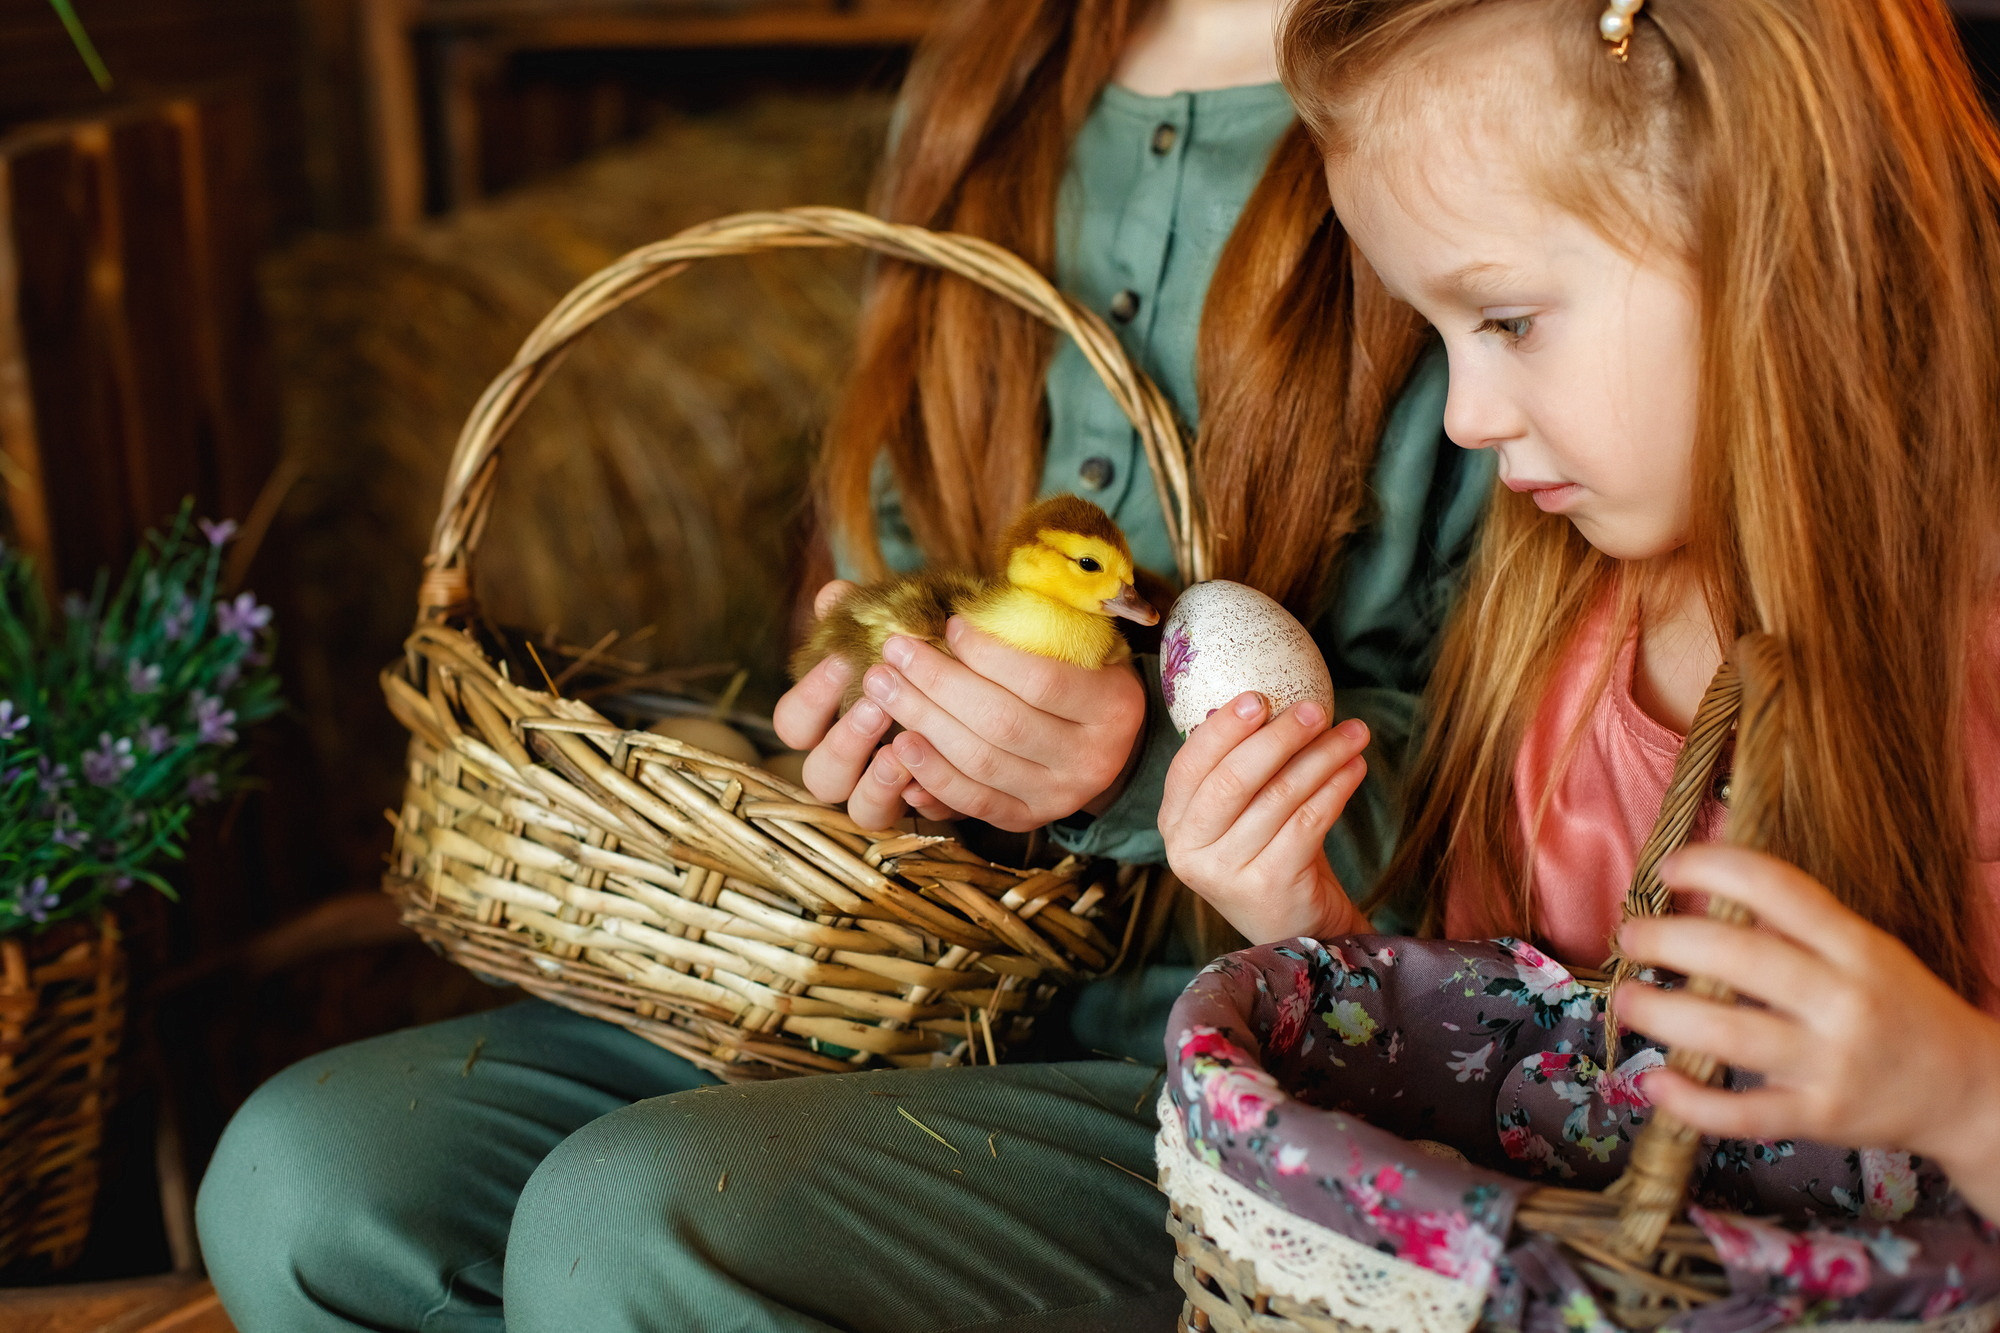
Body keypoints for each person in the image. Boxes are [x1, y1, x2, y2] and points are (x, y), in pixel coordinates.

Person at [195, 0, 1490, 1329]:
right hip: (900, 990)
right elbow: (886, 569)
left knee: (627, 1224)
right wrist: (881, 745)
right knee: (303, 1179)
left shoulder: (1471, 102)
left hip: (1217, 1062)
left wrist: (1137, 766)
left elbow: (1521, 793)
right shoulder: (991, 82)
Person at [1165, 0, 2000, 1237]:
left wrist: (1965, 1098)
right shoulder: (1554, 634)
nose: (1464, 416)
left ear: (1776, 243)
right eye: (1438, 336)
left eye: (1506, 319)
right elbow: (1508, 1110)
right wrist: (1311, 932)